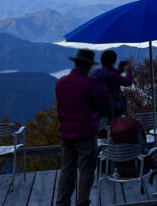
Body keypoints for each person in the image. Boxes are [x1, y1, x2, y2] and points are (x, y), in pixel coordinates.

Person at [55, 49, 111, 206]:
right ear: (88, 66)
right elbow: (105, 105)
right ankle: (82, 202)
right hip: (86, 134)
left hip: (66, 134)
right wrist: (103, 86)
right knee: (86, 170)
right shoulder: (91, 84)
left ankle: (62, 202)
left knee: (67, 170)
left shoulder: (61, 83)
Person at [91, 49, 134, 119]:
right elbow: (127, 82)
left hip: (98, 106)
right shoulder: (112, 75)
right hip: (113, 107)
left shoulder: (96, 72)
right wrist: (128, 71)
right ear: (114, 61)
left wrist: (118, 71)